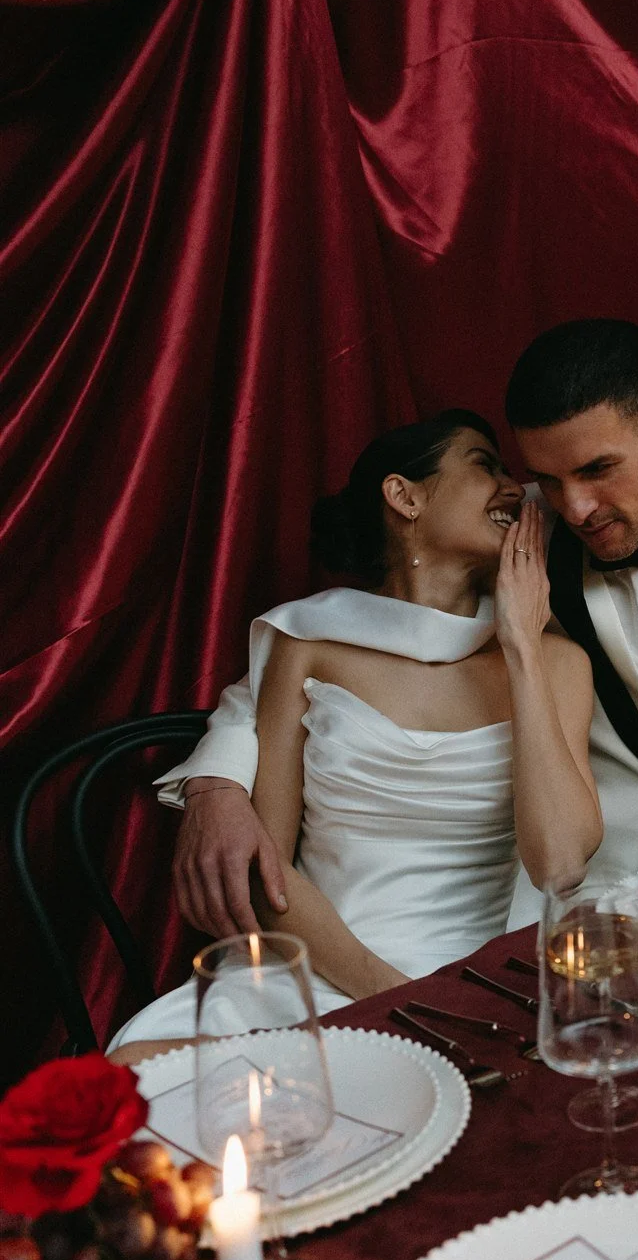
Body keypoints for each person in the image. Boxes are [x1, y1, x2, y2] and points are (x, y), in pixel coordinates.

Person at [162, 322, 638, 937]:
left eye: (595, 470)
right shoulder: (512, 532)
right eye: (548, 479)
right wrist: (215, 785)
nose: (574, 508)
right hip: (596, 891)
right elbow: (328, 646)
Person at [108, 410, 600, 1058]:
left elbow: (559, 861)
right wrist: (397, 1001)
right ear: (405, 495)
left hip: (476, 979)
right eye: (485, 464)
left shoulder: (556, 663)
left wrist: (522, 647)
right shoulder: (307, 648)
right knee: (134, 1078)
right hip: (315, 969)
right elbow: (268, 873)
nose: (514, 488)